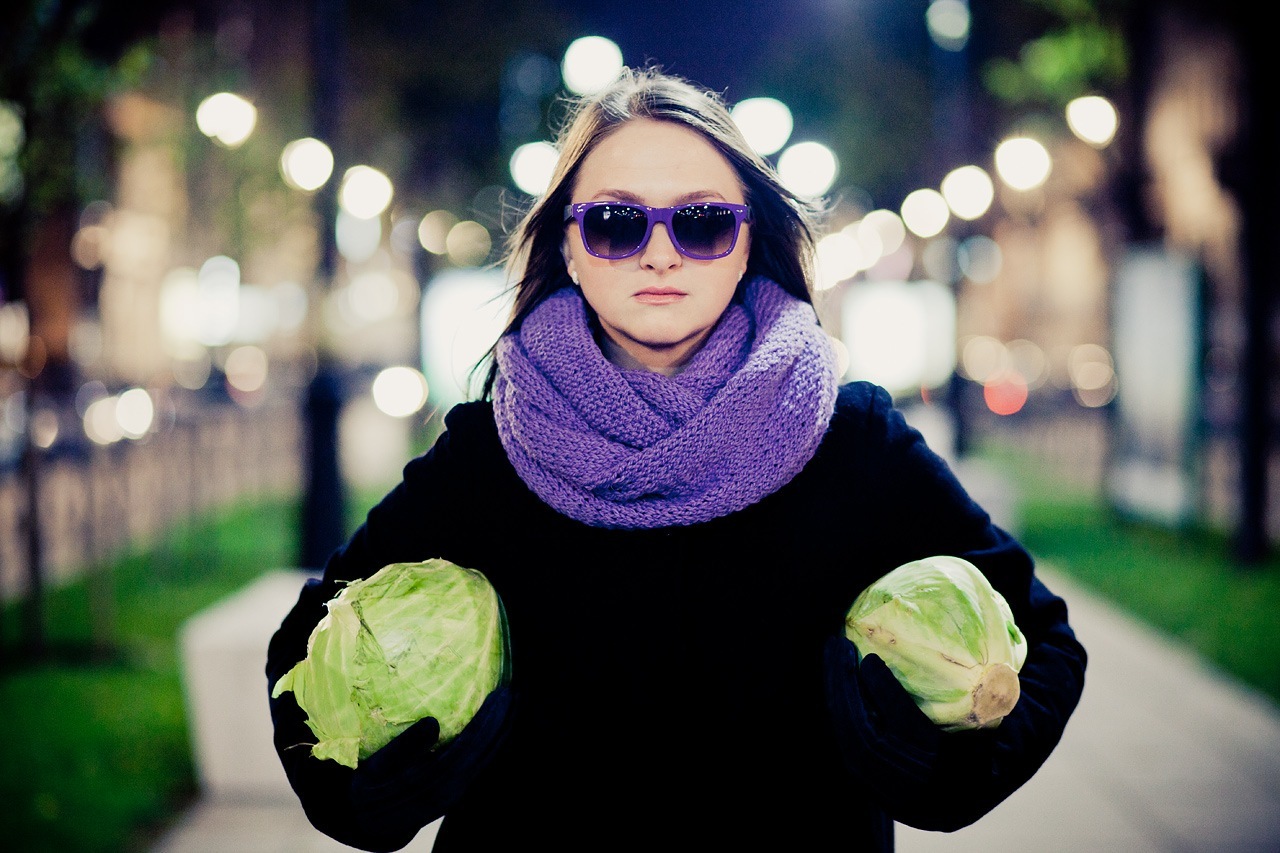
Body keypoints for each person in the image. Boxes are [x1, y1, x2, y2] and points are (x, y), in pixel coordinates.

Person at [266, 66, 1087, 852]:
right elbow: (307, 642)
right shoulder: (490, 453)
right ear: (570, 247)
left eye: (701, 223)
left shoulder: (852, 441)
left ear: (746, 242)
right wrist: (365, 795)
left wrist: (942, 774)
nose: (660, 255)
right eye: (615, 224)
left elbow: (1044, 639)